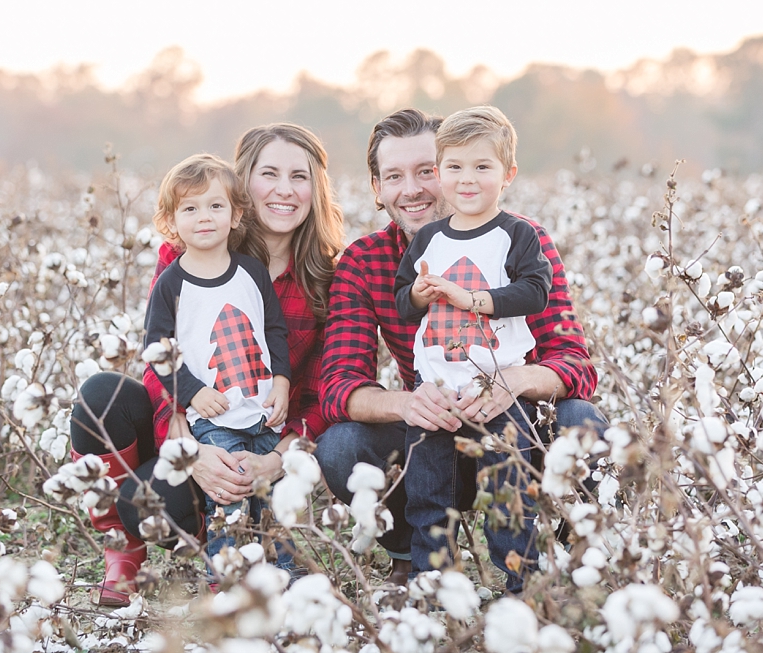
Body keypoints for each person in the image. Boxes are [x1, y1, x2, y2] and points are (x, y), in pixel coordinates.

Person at [317, 107, 605, 589]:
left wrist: (515, 381)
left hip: (514, 427)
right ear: (377, 188)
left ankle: (555, 565)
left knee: (583, 423)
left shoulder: (520, 239)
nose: (413, 189)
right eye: (394, 176)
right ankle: (414, 555)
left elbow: (574, 362)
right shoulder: (366, 260)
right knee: (341, 446)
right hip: (431, 429)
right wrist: (408, 403)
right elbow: (338, 386)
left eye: (427, 170)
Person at [70, 123, 344, 606]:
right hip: (198, 430)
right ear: (244, 186)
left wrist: (276, 460)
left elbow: (324, 394)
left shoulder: (327, 280)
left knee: (257, 505)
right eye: (269, 174)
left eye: (299, 176)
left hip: (266, 434)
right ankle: (124, 548)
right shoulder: (187, 259)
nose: (284, 189)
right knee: (102, 395)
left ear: (315, 190)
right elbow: (160, 358)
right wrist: (190, 449)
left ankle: (263, 563)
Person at [393, 105, 551, 587]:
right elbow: (403, 300)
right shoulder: (428, 238)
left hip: (498, 384)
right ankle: (433, 576)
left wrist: (475, 300)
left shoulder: (516, 234)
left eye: (483, 167)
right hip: (436, 385)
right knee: (427, 486)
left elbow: (536, 290)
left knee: (509, 485)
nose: (467, 179)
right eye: (455, 167)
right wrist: (418, 295)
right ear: (439, 174)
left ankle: (518, 583)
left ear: (508, 175)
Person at [143, 153, 290, 563]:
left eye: (215, 206)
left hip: (262, 409)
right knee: (228, 495)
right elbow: (157, 349)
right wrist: (190, 393)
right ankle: (227, 577)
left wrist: (281, 380)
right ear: (171, 222)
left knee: (274, 501)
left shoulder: (251, 272)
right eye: (190, 208)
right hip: (213, 414)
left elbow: (274, 329)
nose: (203, 217)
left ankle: (285, 574)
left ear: (236, 214)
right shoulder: (171, 282)